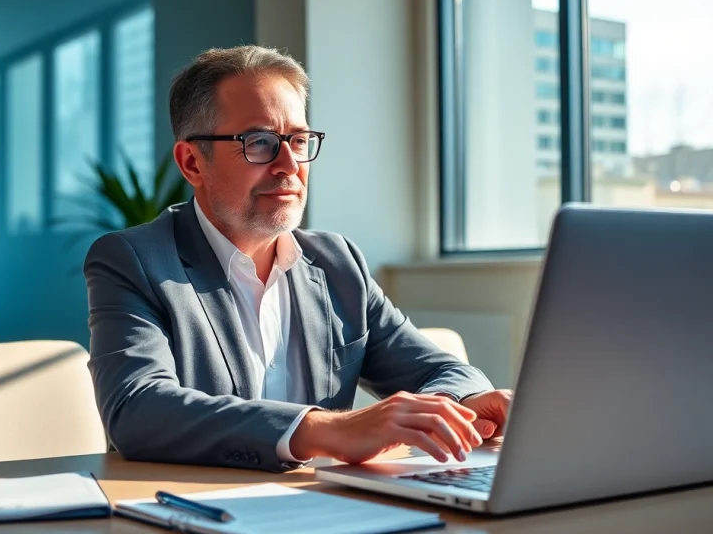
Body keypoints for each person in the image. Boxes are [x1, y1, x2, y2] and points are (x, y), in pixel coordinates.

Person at [84, 45, 512, 472]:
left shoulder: (337, 263)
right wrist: (327, 430)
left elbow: (446, 372)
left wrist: (456, 407)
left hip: (326, 509)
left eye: (300, 140)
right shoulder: (134, 260)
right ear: (193, 162)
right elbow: (136, 409)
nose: (289, 164)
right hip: (193, 512)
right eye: (260, 142)